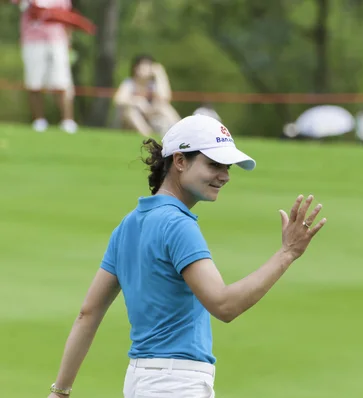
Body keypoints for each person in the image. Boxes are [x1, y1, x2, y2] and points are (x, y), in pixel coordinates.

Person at [46, 114, 327, 398]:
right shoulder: (178, 225)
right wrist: (288, 253)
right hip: (176, 384)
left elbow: (88, 313)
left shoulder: (128, 225)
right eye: (214, 164)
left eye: (227, 167)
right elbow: (224, 305)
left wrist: (60, 391)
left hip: (139, 381)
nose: (225, 176)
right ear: (180, 161)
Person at [9, 0, 78, 133]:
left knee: (61, 82)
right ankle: (39, 120)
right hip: (32, 40)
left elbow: (67, 16)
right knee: (34, 82)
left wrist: (69, 40)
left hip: (57, 40)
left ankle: (67, 121)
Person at [113, 54, 181, 137]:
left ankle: (180, 131)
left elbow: (165, 98)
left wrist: (160, 75)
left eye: (148, 67)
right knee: (131, 111)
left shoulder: (153, 85)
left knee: (164, 107)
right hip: (131, 120)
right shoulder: (130, 83)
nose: (145, 70)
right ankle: (147, 135)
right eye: (142, 67)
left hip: (151, 116)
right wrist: (137, 101)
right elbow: (118, 100)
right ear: (136, 69)